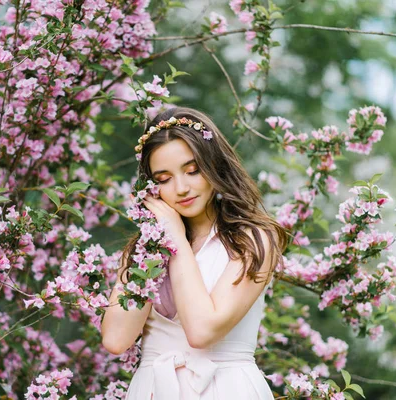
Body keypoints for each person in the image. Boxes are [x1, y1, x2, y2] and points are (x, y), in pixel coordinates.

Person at [101, 107, 288, 399]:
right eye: (163, 179)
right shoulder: (142, 250)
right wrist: (154, 244)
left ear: (213, 165)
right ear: (150, 187)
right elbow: (115, 339)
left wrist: (176, 239)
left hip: (226, 387)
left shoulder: (253, 240)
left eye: (192, 170)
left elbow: (202, 332)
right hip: (153, 390)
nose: (181, 188)